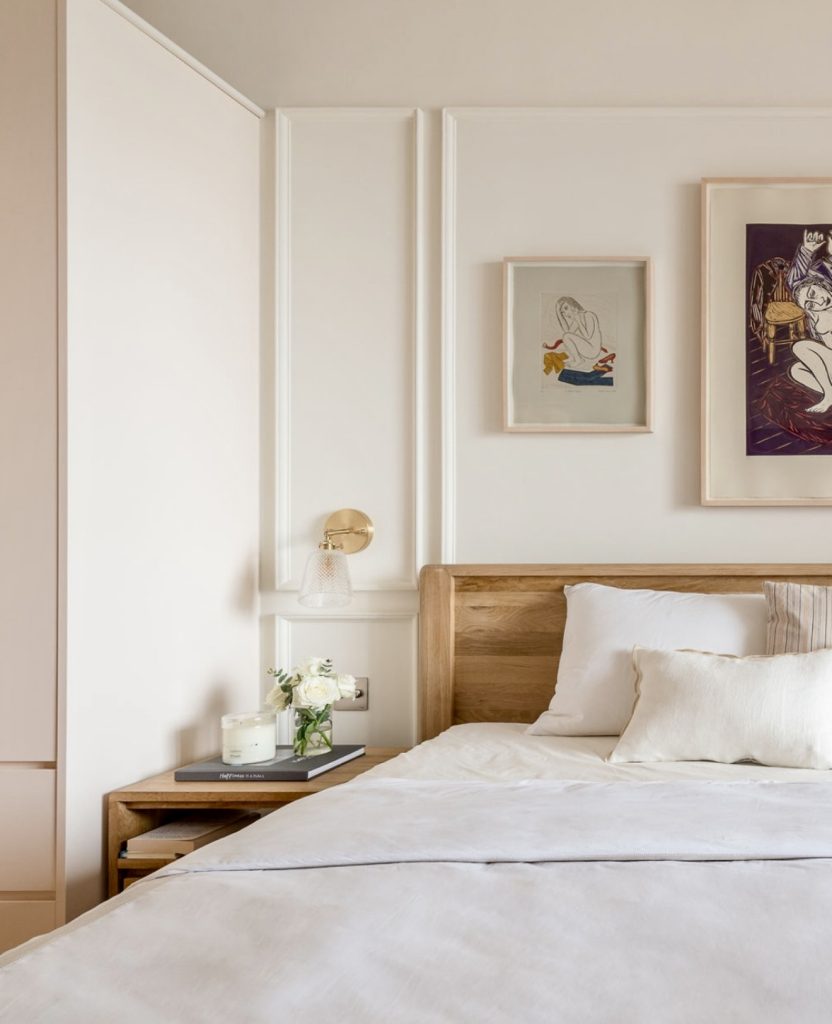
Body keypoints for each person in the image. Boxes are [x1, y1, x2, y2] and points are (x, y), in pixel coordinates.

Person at [790, 275, 832, 414]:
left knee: (800, 346)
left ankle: (829, 394)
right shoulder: (822, 321)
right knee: (796, 369)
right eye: (810, 304)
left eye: (812, 294)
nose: (817, 302)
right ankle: (830, 392)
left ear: (820, 284)